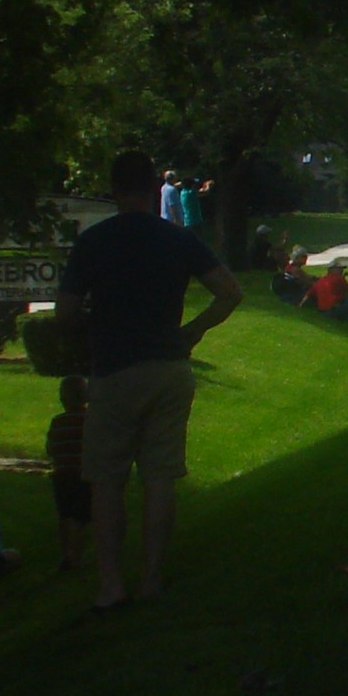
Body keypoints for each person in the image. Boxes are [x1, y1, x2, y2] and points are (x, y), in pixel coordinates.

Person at [56, 150, 244, 609]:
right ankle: (152, 576)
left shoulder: (94, 242)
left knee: (106, 480)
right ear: (152, 188)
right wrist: (191, 333)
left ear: (115, 190)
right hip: (168, 368)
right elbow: (229, 291)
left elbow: (64, 313)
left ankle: (111, 584)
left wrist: (89, 331)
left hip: (114, 369)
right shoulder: (177, 239)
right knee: (160, 477)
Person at [45, 376, 91, 570]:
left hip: (61, 476)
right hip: (83, 476)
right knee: (81, 518)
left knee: (64, 516)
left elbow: (51, 448)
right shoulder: (91, 420)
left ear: (62, 399)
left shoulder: (58, 422)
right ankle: (77, 557)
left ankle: (65, 554)